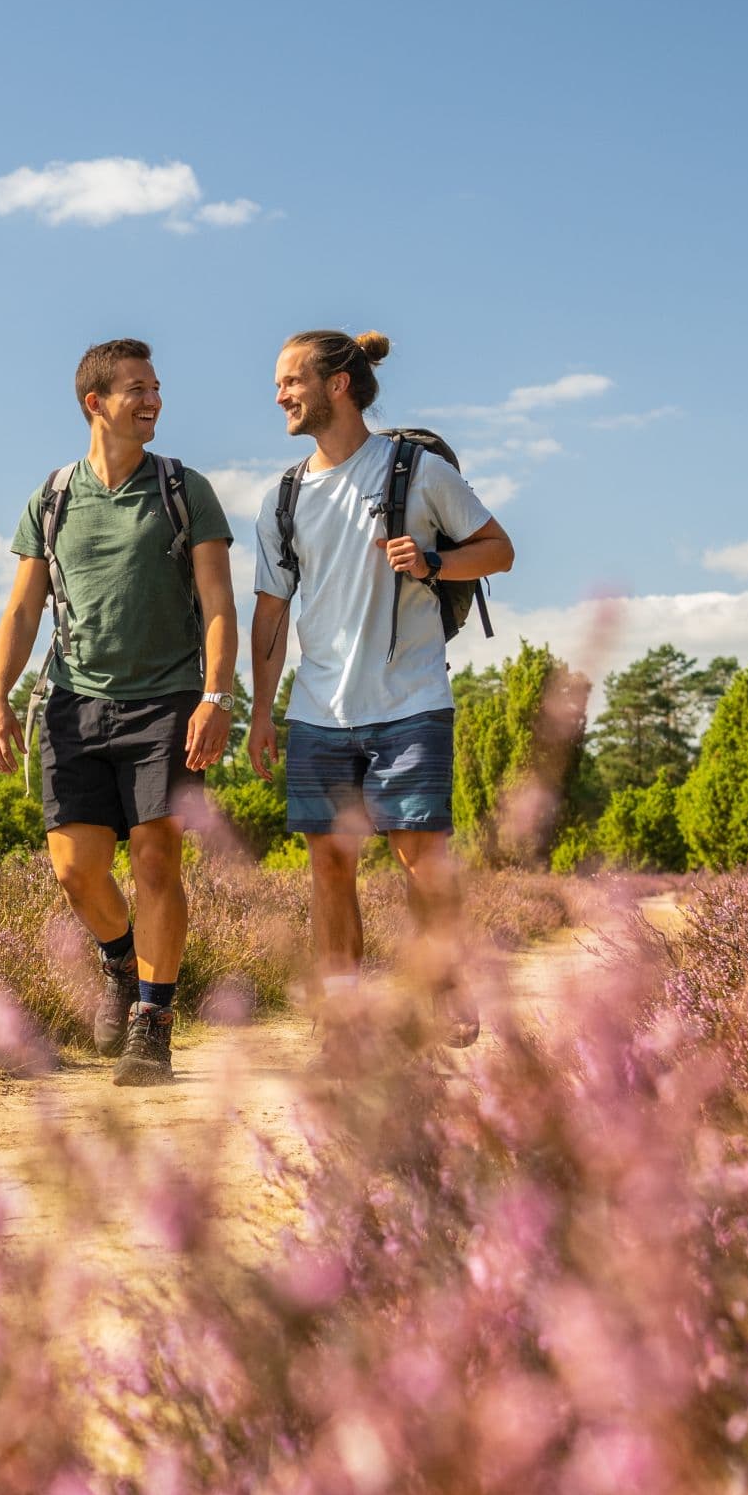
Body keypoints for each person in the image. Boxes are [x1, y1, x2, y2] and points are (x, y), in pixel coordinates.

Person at [0, 339, 239, 1086]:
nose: (153, 400)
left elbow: (219, 605)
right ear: (95, 403)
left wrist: (217, 696)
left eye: (156, 387)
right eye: (136, 389)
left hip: (166, 701)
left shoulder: (184, 489)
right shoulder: (53, 497)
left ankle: (152, 1025)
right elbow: (24, 609)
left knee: (157, 855)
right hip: (73, 703)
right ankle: (121, 967)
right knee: (75, 870)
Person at [244, 329, 513, 1034]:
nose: (280, 395)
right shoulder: (282, 498)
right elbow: (271, 613)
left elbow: (498, 550)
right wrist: (261, 713)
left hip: (411, 701)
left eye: (292, 381)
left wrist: (431, 563)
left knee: (420, 855)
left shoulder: (414, 471)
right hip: (318, 711)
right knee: (330, 867)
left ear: (337, 384)